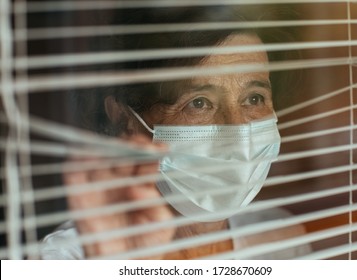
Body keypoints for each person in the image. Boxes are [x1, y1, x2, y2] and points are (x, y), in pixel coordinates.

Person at [39, 5, 311, 259]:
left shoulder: (281, 239)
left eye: (254, 98)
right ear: (124, 119)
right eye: (199, 103)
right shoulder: (73, 257)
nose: (239, 131)